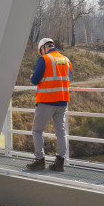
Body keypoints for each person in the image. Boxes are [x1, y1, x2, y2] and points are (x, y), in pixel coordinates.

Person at [26, 38, 72, 171]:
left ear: (43, 48)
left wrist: (31, 76)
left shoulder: (44, 59)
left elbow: (35, 80)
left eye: (40, 51)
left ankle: (40, 160)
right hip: (63, 101)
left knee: (37, 130)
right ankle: (60, 163)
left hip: (46, 101)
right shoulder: (67, 60)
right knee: (61, 132)